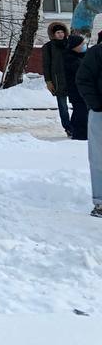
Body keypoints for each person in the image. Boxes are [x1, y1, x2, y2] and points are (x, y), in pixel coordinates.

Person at [74, 34, 102, 217]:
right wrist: (97, 105)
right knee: (99, 157)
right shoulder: (96, 53)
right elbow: (83, 79)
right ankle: (100, 202)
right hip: (100, 113)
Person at [42, 22, 72, 137]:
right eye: (58, 33)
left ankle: (76, 125)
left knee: (78, 104)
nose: (60, 35)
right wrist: (48, 81)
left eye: (62, 32)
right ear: (53, 34)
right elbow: (46, 65)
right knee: (63, 106)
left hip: (71, 79)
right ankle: (68, 127)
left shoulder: (70, 44)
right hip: (58, 81)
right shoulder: (48, 47)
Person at [64, 33, 89, 141]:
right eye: (82, 44)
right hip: (77, 91)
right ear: (75, 46)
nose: (84, 46)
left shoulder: (80, 56)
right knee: (81, 112)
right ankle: (80, 134)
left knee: (79, 111)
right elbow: (84, 72)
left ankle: (75, 131)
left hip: (80, 90)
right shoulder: (71, 59)